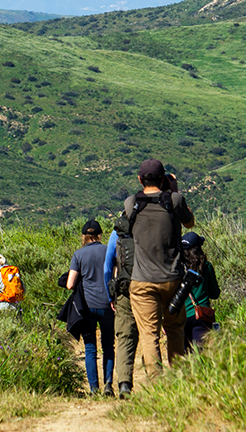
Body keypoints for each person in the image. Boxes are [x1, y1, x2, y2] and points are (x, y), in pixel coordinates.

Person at [122, 159, 194, 375]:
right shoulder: (175, 200)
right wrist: (174, 190)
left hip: (142, 281)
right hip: (173, 280)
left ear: (139, 179)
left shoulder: (131, 203)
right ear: (163, 177)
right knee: (175, 331)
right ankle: (178, 381)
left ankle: (157, 385)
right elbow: (189, 223)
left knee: (149, 334)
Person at [65, 219, 114, 395]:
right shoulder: (109, 250)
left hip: (87, 307)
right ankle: (109, 385)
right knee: (108, 345)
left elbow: (70, 284)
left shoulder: (78, 255)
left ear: (84, 236)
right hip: (108, 305)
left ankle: (94, 389)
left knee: (91, 347)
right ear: (99, 235)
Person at [103, 213, 139, 398]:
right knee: (150, 335)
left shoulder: (117, 234)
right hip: (147, 288)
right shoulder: (147, 228)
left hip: (124, 288)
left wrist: (110, 293)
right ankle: (156, 382)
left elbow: (107, 266)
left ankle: (124, 384)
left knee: (125, 336)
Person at [178, 231, 221, 349]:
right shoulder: (206, 267)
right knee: (201, 353)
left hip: (182, 317)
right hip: (202, 316)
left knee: (185, 355)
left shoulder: (178, 269)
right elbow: (215, 293)